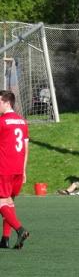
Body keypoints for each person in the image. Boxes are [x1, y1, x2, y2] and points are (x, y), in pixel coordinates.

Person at [0, 91, 29, 250]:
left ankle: (19, 229)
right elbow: (25, 148)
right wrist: (23, 170)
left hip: (3, 168)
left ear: (7, 103)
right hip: (18, 169)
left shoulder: (2, 121)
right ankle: (5, 239)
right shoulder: (22, 122)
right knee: (9, 203)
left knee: (1, 203)